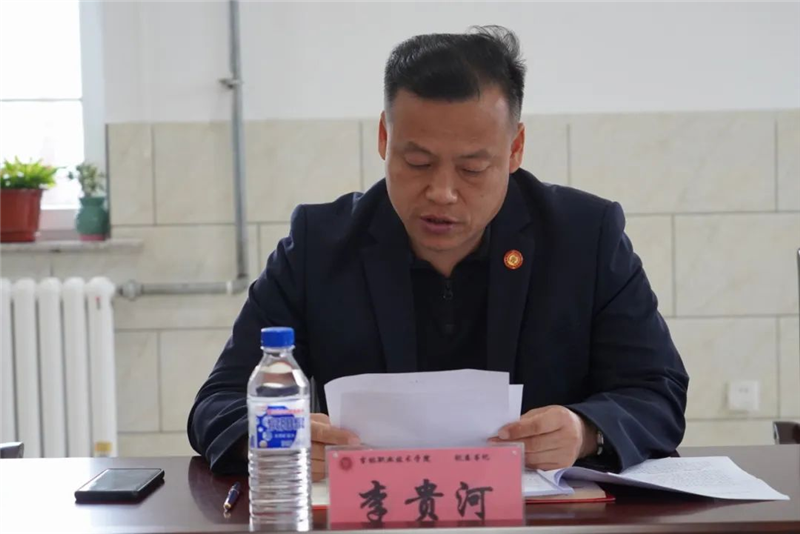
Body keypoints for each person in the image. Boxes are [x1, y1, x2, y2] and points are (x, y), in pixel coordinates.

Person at [188, 26, 688, 478]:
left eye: (472, 169)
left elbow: (657, 391)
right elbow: (218, 403)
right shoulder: (320, 245)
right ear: (384, 138)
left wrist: (585, 430)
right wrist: (279, 437)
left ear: (515, 149)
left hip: (543, 521)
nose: (442, 193)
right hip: (370, 519)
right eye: (418, 162)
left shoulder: (584, 237)